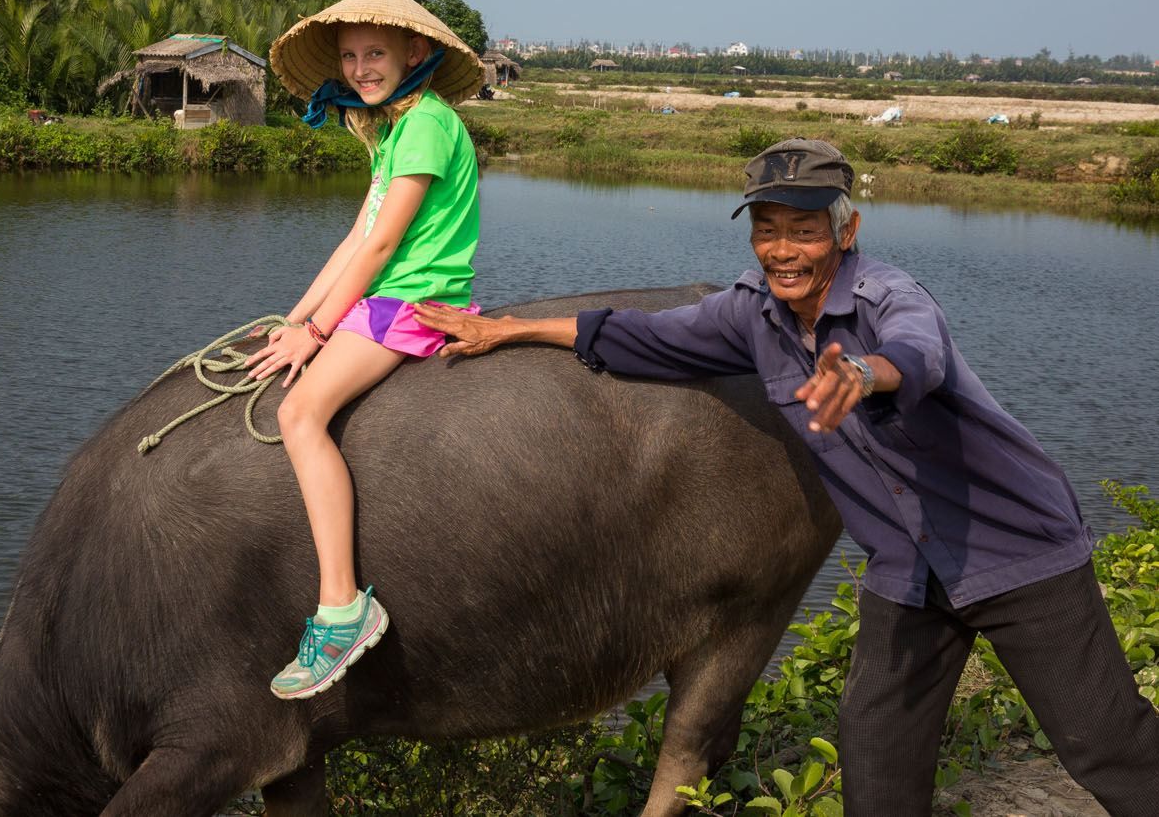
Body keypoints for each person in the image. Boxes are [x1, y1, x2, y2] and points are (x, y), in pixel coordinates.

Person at [414, 138, 1159, 815]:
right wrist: (508, 329)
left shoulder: (889, 298)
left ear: (847, 230)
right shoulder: (752, 315)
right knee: (876, 764)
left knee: (1104, 744)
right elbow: (642, 336)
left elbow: (918, 354)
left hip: (1015, 551)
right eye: (767, 229)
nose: (783, 249)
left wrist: (865, 372)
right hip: (907, 571)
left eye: (804, 230)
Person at [248, 0, 485, 700]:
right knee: (293, 371)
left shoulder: (430, 125)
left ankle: (343, 606)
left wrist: (320, 331)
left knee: (299, 413)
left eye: (374, 53)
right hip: (385, 295)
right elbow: (355, 235)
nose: (360, 68)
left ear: (416, 52)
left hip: (412, 303)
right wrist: (295, 318)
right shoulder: (391, 131)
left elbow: (382, 245)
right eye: (350, 56)